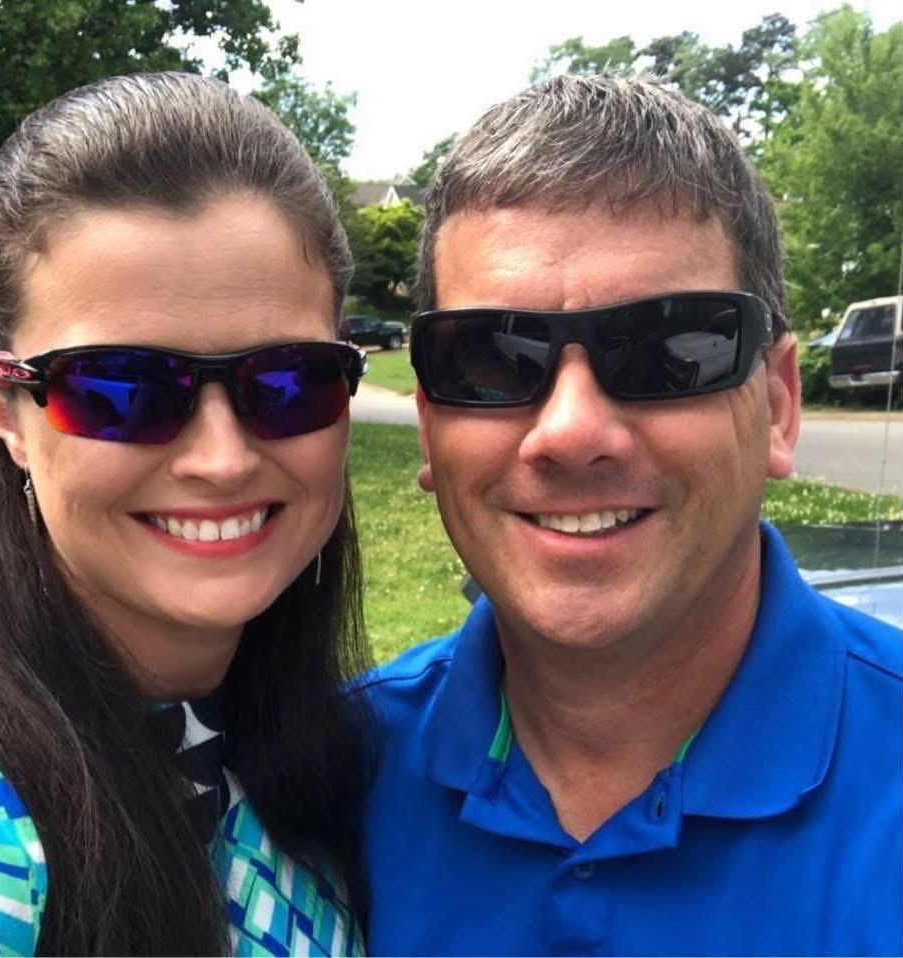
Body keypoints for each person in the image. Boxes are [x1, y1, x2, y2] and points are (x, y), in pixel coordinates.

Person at [360, 74, 901, 956]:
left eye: (668, 348)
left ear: (778, 405)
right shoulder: (318, 791)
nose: (571, 433)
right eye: (493, 359)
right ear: (430, 426)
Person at [0, 72, 372, 957]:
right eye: (120, 388)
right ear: (7, 414)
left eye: (288, 380)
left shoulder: (333, 744)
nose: (222, 459)